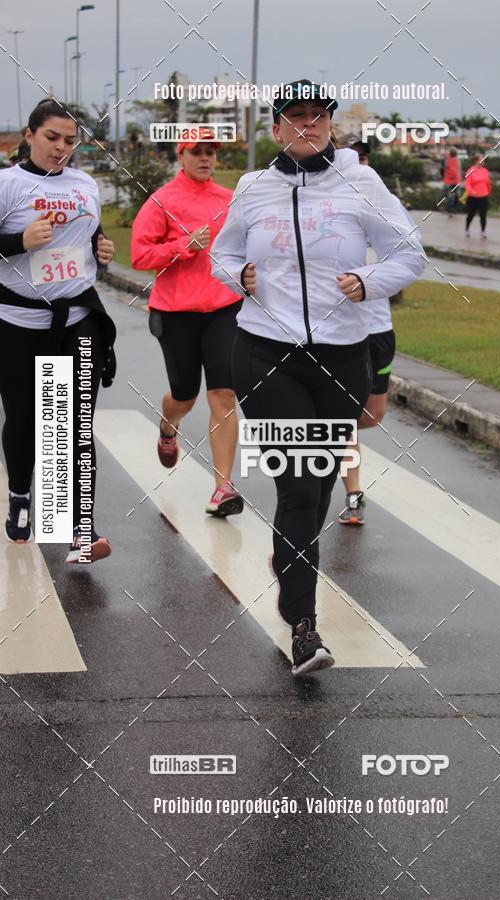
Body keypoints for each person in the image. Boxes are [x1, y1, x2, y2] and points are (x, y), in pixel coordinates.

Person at [211, 79, 425, 675]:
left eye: (318, 117)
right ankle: (305, 627)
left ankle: (289, 576)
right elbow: (221, 255)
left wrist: (370, 282)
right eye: (293, 117)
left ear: (330, 123)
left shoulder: (360, 182)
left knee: (320, 486)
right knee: (300, 486)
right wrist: (240, 279)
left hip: (341, 357)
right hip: (264, 353)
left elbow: (409, 252)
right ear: (275, 127)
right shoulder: (254, 188)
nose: (307, 126)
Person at [0, 97, 116, 562]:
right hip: (18, 322)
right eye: (52, 138)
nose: (61, 148)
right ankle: (22, 496)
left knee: (74, 424)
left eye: (70, 141)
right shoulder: (8, 185)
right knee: (27, 420)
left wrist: (102, 250)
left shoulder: (85, 184)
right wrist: (17, 242)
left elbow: (91, 236)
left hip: (78, 318)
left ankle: (79, 528)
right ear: (29, 136)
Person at [131, 140, 244, 518]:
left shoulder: (230, 198)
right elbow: (140, 254)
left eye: (211, 152)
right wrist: (185, 244)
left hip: (223, 309)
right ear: (181, 156)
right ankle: (168, 425)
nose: (205, 158)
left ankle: (222, 487)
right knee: (185, 396)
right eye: (197, 152)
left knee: (224, 394)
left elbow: (246, 246)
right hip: (176, 312)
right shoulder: (162, 200)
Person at [338, 138, 396, 526]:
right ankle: (353, 494)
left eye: (365, 158)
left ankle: (323, 429)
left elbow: (403, 257)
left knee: (373, 414)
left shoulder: (381, 203)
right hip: (344, 331)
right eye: (353, 158)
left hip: (381, 327)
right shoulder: (330, 210)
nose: (361, 165)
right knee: (343, 416)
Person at [464, 154, 492, 238]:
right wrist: (472, 191)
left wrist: (489, 192)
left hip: (483, 197)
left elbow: (488, 183)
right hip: (473, 197)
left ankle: (483, 232)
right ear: (476, 161)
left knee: (483, 215)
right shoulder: (470, 171)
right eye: (481, 159)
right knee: (470, 215)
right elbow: (467, 184)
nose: (483, 161)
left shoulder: (485, 171)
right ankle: (467, 229)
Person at [442, 148, 461, 217]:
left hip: (450, 181)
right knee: (456, 196)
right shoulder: (453, 160)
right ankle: (452, 209)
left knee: (450, 196)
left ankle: (451, 210)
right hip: (452, 181)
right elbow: (455, 171)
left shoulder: (448, 160)